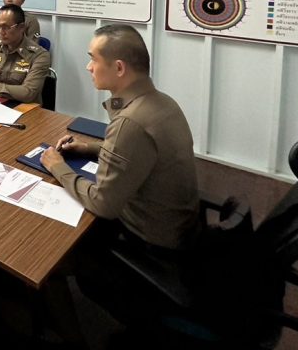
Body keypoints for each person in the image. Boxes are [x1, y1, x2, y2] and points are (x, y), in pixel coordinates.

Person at [40, 24, 199, 249]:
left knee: (49, 235)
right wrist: (88, 147)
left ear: (118, 68)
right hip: (180, 226)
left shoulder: (130, 121)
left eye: (93, 59)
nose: (88, 67)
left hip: (149, 239)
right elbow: (139, 152)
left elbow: (103, 204)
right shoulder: (163, 102)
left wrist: (57, 166)